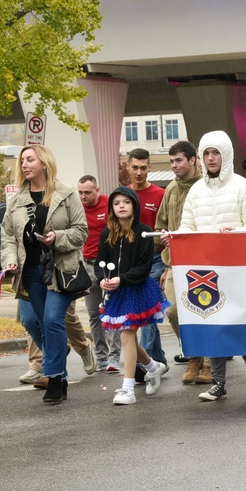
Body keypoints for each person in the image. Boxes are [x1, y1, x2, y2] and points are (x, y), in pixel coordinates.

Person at [167, 130, 246, 402]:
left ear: (226, 155)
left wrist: (239, 232)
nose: (210, 158)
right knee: (212, 323)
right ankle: (219, 383)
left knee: (239, 319)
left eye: (215, 153)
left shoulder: (242, 186)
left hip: (237, 267)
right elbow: (187, 226)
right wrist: (174, 236)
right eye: (206, 153)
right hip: (205, 269)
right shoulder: (196, 190)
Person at [1, 144, 88, 404]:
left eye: (30, 159)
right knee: (33, 322)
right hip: (30, 272)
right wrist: (10, 261)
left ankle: (53, 376)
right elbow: (8, 236)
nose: (24, 164)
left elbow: (81, 231)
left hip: (61, 270)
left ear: (44, 163)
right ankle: (58, 364)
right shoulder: (17, 200)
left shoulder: (66, 193)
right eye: (22, 161)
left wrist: (57, 238)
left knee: (51, 320)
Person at [96, 187, 168, 405]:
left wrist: (122, 279)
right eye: (116, 203)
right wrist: (103, 278)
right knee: (127, 336)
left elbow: (143, 267)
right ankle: (153, 367)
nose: (121, 206)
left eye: (126, 202)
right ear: (112, 208)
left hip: (137, 289)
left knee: (126, 335)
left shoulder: (144, 232)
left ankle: (128, 389)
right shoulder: (106, 233)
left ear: (134, 206)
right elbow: (100, 261)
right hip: (116, 291)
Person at [155, 140, 215, 385]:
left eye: (178, 160)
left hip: (204, 261)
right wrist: (164, 242)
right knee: (173, 311)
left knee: (206, 312)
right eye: (171, 161)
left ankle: (211, 363)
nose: (174, 166)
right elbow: (161, 223)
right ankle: (194, 355)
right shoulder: (170, 188)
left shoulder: (207, 186)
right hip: (175, 263)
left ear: (193, 160)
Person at [127, 148, 167, 371]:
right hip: (132, 261)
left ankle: (144, 363)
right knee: (146, 310)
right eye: (135, 167)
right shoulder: (122, 194)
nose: (139, 172)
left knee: (148, 307)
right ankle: (159, 359)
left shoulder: (160, 194)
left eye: (143, 168)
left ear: (150, 168)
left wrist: (167, 265)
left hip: (155, 258)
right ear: (128, 167)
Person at [77, 175, 121, 372]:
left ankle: (114, 357)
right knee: (94, 313)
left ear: (97, 190)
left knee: (111, 312)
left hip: (107, 266)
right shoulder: (77, 209)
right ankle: (101, 357)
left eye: (87, 192)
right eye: (80, 192)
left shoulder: (108, 205)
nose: (83, 196)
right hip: (87, 265)